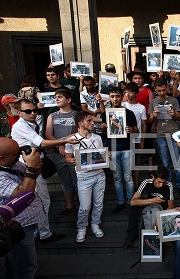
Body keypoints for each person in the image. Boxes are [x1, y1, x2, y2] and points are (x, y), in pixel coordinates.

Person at [0, 138, 44, 279]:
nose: (19, 156)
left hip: (23, 224)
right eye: (16, 154)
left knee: (15, 263)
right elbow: (24, 195)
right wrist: (31, 168)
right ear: (1, 158)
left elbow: (29, 178)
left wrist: (35, 166)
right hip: (15, 227)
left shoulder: (9, 164)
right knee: (25, 265)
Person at [11, 99, 78, 243]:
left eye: (34, 110)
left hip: (34, 164)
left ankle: (37, 231)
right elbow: (41, 142)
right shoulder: (20, 126)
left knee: (37, 200)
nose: (33, 113)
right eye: (28, 111)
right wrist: (65, 141)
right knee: (43, 201)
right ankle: (44, 233)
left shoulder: (32, 122)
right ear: (19, 113)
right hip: (28, 167)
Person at [65, 111, 107, 242]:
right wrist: (70, 161)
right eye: (89, 121)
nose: (93, 123)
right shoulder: (71, 140)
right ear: (80, 123)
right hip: (83, 177)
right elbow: (67, 157)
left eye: (92, 121)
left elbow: (101, 155)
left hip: (99, 174)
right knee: (85, 206)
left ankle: (95, 224)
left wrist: (106, 157)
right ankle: (82, 227)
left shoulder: (97, 138)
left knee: (98, 204)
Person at [103, 86, 138, 214]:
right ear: (110, 98)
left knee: (128, 177)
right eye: (112, 96)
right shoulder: (105, 114)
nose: (115, 99)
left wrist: (131, 130)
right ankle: (120, 202)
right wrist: (103, 128)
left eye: (117, 96)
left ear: (122, 96)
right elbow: (103, 134)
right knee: (117, 178)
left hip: (127, 148)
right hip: (112, 149)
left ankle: (130, 201)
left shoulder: (129, 113)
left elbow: (137, 132)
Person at [44, 89, 78, 217]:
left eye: (60, 97)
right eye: (55, 97)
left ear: (68, 100)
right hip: (58, 154)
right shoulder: (52, 115)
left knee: (77, 181)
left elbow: (80, 132)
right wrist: (59, 145)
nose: (57, 99)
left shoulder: (77, 114)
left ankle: (83, 207)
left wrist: (63, 142)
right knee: (65, 182)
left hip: (75, 153)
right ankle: (70, 206)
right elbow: (48, 134)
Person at [149, 79, 180, 195]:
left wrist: (174, 114)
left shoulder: (173, 100)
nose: (162, 92)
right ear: (155, 89)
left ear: (167, 88)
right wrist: (153, 116)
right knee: (165, 163)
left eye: (164, 90)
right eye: (159, 90)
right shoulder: (153, 102)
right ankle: (169, 186)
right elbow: (149, 120)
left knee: (177, 163)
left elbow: (179, 117)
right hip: (161, 135)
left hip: (174, 134)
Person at [123, 166, 174, 248]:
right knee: (133, 207)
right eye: (159, 182)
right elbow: (132, 202)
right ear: (153, 177)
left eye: (163, 182)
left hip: (161, 207)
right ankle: (132, 234)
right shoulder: (147, 182)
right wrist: (152, 200)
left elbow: (170, 206)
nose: (161, 185)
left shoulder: (168, 185)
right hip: (148, 202)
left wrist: (159, 219)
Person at [122, 81, 147, 189]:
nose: (128, 94)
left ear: (136, 93)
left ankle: (136, 186)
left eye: (131, 92)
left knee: (136, 164)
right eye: (127, 92)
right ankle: (127, 186)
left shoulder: (141, 108)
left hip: (136, 139)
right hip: (123, 140)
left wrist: (143, 140)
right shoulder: (121, 105)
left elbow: (144, 125)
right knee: (126, 165)